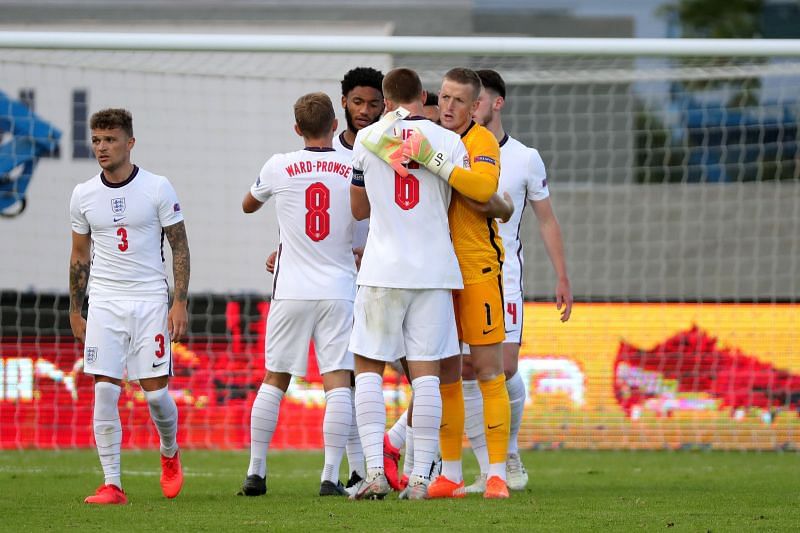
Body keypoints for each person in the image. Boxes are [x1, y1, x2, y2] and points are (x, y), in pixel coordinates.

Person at [347, 67, 468, 500]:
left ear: (384, 98)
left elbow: (359, 209)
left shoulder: (366, 140)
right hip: (434, 271)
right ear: (422, 95)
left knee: (368, 371)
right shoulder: (449, 141)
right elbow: (460, 199)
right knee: (427, 377)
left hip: (382, 269)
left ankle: (375, 473)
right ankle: (419, 480)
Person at [237, 92, 359, 498]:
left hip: (290, 288)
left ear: (296, 129)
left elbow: (247, 206)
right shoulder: (351, 164)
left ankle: (256, 472)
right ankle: (329, 477)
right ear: (335, 125)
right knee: (338, 381)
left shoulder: (279, 165)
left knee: (274, 378)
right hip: (339, 286)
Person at [69, 108, 189, 505]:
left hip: (149, 300)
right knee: (105, 391)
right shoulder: (83, 194)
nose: (102, 147)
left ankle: (169, 452)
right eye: (97, 140)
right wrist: (75, 308)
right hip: (104, 302)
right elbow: (79, 255)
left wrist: (179, 302)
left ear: (130, 143)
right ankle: (113, 484)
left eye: (110, 140)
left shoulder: (157, 187)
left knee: (155, 396)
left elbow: (179, 245)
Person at [461, 69, 573, 493]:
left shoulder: (526, 157)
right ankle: (486, 466)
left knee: (504, 367)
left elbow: (546, 220)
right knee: (467, 370)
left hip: (505, 277)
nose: (470, 107)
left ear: (496, 103)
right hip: (461, 275)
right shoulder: (458, 149)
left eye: (477, 100)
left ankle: (508, 452)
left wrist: (562, 276)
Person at [402, 67, 511, 499]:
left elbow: (484, 189)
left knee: (488, 370)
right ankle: (449, 475)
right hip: (434, 274)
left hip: (477, 269)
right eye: (444, 98)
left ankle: (497, 473)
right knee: (446, 371)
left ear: (475, 107)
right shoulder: (426, 136)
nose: (448, 107)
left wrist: (438, 164)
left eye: (458, 101)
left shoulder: (480, 141)